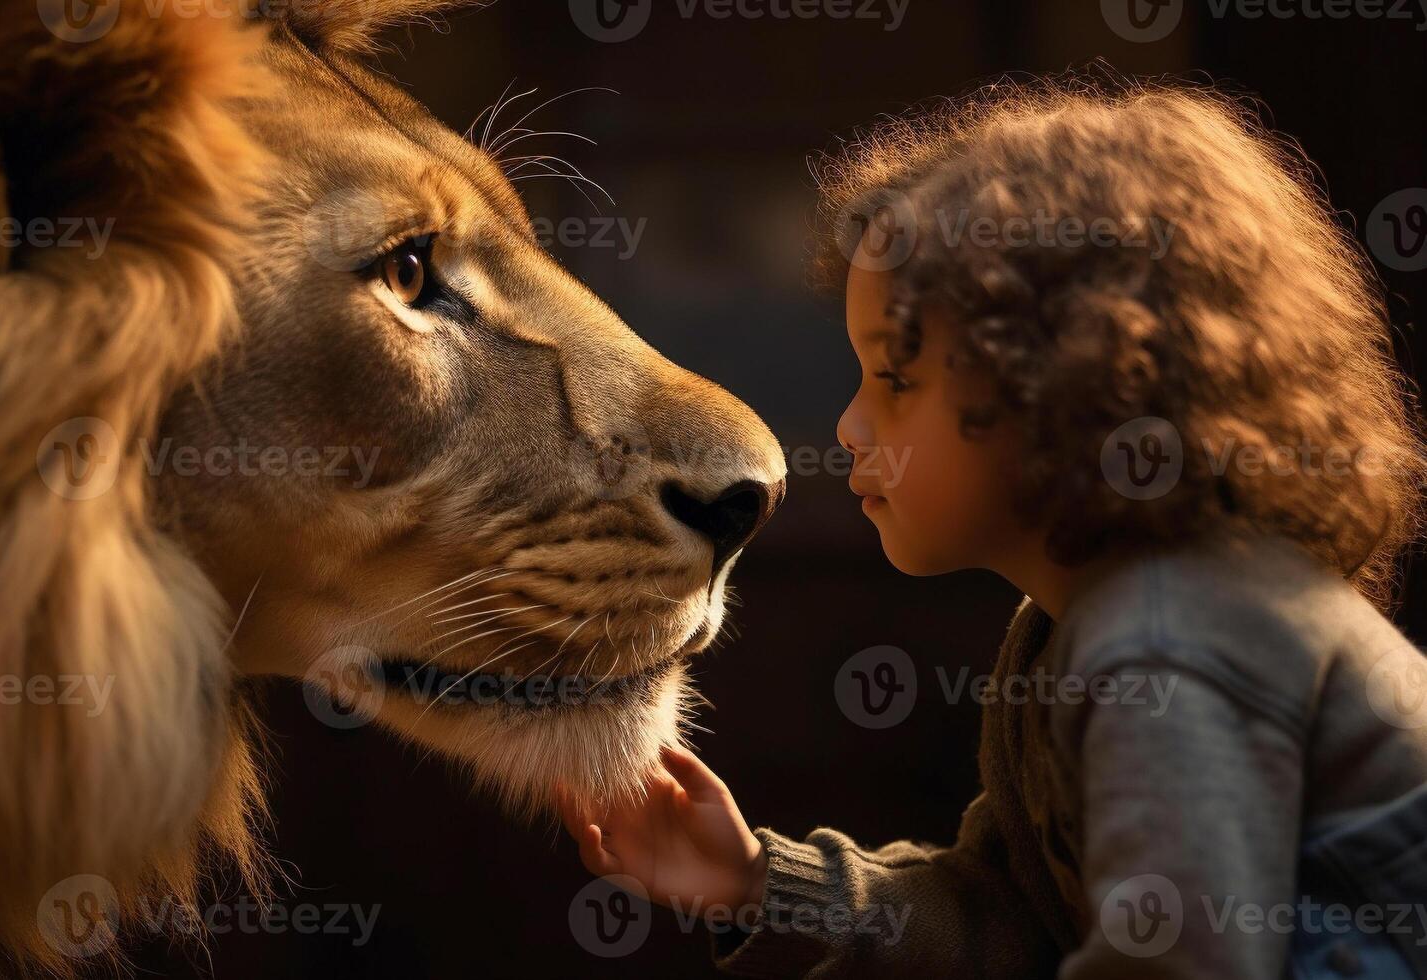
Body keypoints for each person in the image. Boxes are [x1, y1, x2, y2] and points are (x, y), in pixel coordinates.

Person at [558, 77, 1427, 979]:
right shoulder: (1065, 635)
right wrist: (755, 882)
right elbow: (1012, 921)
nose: (849, 427)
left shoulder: (1173, 641)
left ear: (1072, 385)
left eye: (894, 380)